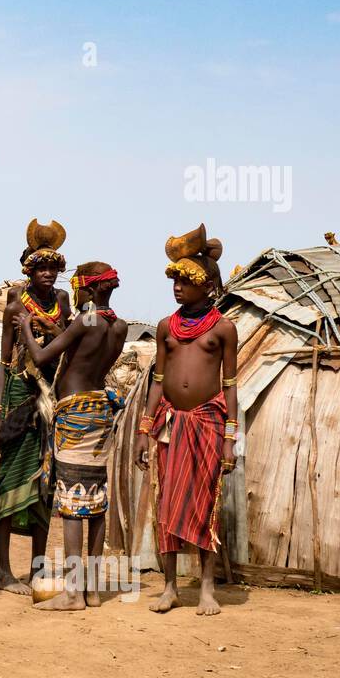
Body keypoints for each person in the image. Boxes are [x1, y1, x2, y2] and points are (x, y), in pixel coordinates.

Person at [134, 224, 238, 617]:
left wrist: (231, 439)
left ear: (208, 285)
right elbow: (157, 383)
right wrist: (145, 430)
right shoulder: (165, 327)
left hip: (209, 423)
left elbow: (230, 387)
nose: (177, 287)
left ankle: (207, 587)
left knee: (203, 501)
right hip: (170, 424)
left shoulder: (224, 329)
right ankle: (171, 587)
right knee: (167, 503)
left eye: (185, 280)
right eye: (174, 279)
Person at [15, 262, 127, 610]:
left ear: (90, 291)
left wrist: (25, 329)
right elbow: (86, 357)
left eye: (78, 289)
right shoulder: (118, 326)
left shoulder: (86, 319)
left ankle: (73, 593)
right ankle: (92, 591)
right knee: (95, 501)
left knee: (73, 502)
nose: (74, 294)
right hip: (100, 413)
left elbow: (41, 355)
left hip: (76, 416)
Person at [0, 219, 72, 594]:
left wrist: (52, 331)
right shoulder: (14, 303)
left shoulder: (64, 302)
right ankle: (4, 572)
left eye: (54, 268)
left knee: (45, 484)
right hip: (19, 398)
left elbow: (68, 344)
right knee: (9, 480)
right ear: (29, 269)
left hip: (50, 400)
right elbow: (4, 361)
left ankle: (37, 569)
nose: (49, 274)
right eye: (42, 267)